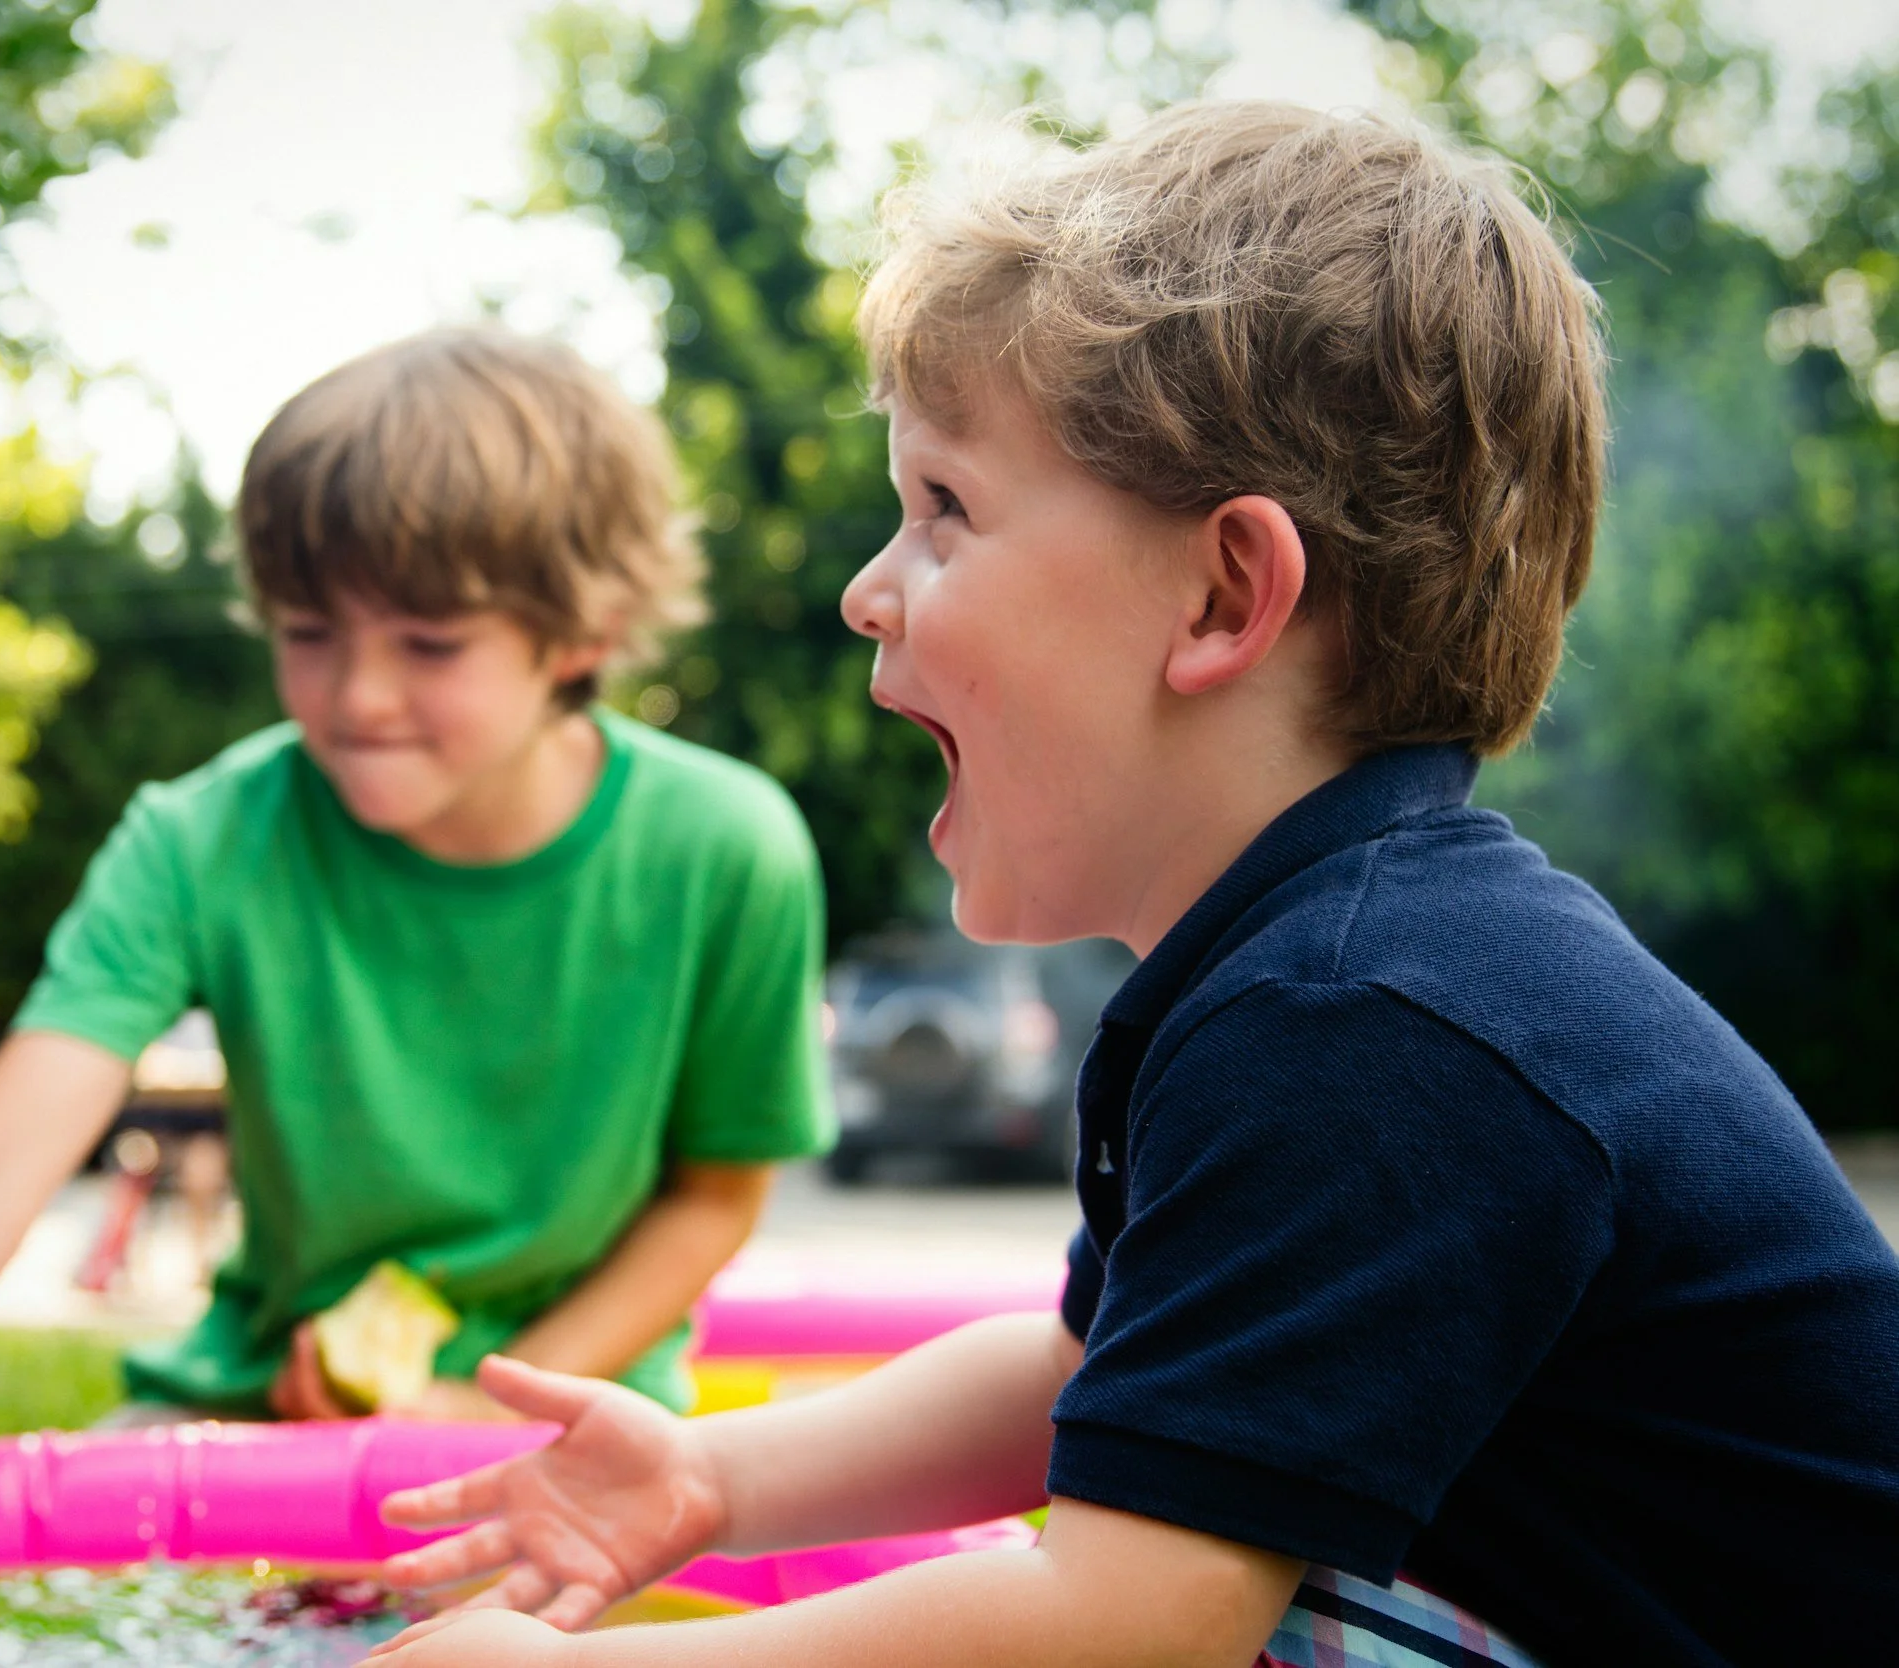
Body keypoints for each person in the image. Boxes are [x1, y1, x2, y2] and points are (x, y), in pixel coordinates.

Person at [358, 103, 1899, 1668]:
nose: (866, 590)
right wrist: (710, 1476)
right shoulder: (1314, 970)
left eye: (946, 509)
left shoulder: (1373, 1022)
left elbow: (1126, 1623)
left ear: (1225, 592)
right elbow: (1085, 1374)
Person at [0, 328, 836, 1626]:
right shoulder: (202, 838)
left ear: (582, 631)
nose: (358, 696)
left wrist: (483, 1400)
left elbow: (713, 1198)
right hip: (247, 1418)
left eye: (430, 644)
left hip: (578, 1436)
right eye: (308, 633)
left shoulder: (729, 849)